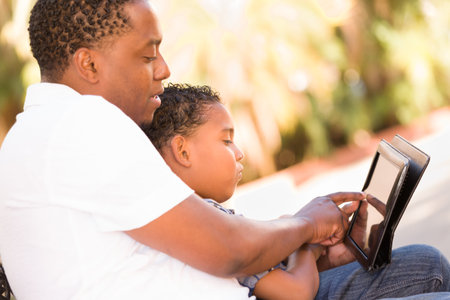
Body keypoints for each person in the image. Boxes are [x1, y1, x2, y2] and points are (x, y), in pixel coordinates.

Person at [0, 0, 447, 299]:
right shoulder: (82, 128)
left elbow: (206, 244)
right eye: (147, 55)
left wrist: (311, 241)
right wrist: (306, 225)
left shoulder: (51, 132)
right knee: (431, 281)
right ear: (89, 63)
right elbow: (228, 250)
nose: (164, 69)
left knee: (423, 263)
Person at [143, 82, 327, 299]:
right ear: (183, 151)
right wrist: (306, 245)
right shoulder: (207, 219)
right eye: (226, 140)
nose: (239, 153)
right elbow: (296, 292)